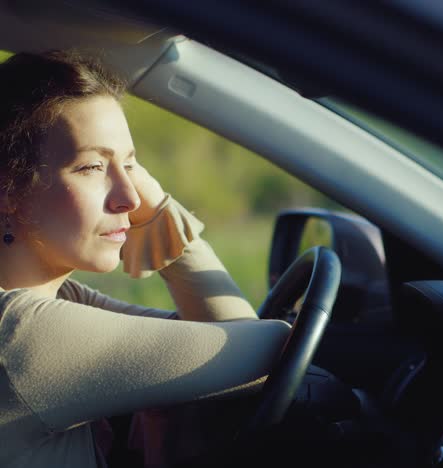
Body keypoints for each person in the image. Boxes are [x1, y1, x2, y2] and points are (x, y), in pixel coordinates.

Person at [0, 50, 291, 468]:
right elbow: (262, 357)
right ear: (8, 189)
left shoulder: (59, 298)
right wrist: (159, 216)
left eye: (132, 167)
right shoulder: (25, 334)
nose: (131, 197)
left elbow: (205, 335)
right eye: (92, 167)